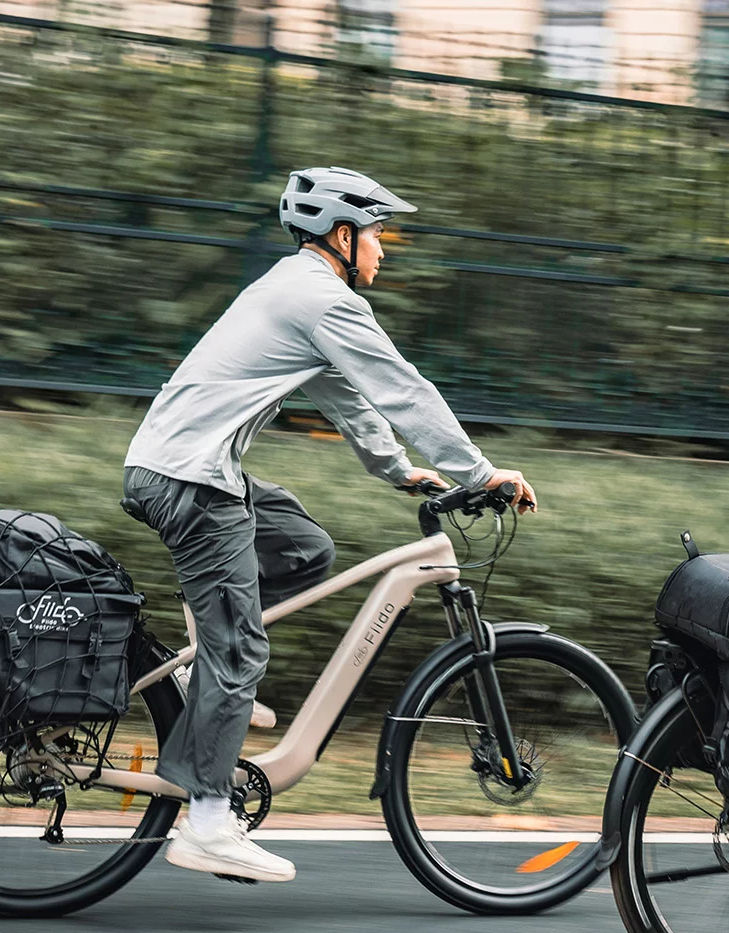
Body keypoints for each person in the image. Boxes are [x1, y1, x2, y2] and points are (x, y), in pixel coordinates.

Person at [120, 166, 538, 883]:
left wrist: (399, 470)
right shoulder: (319, 298)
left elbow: (345, 394)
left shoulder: (297, 291)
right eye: (378, 233)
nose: (384, 248)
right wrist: (480, 474)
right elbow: (404, 388)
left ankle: (206, 685)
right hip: (192, 480)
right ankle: (209, 822)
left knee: (302, 547)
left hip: (187, 468)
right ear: (341, 235)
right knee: (243, 651)